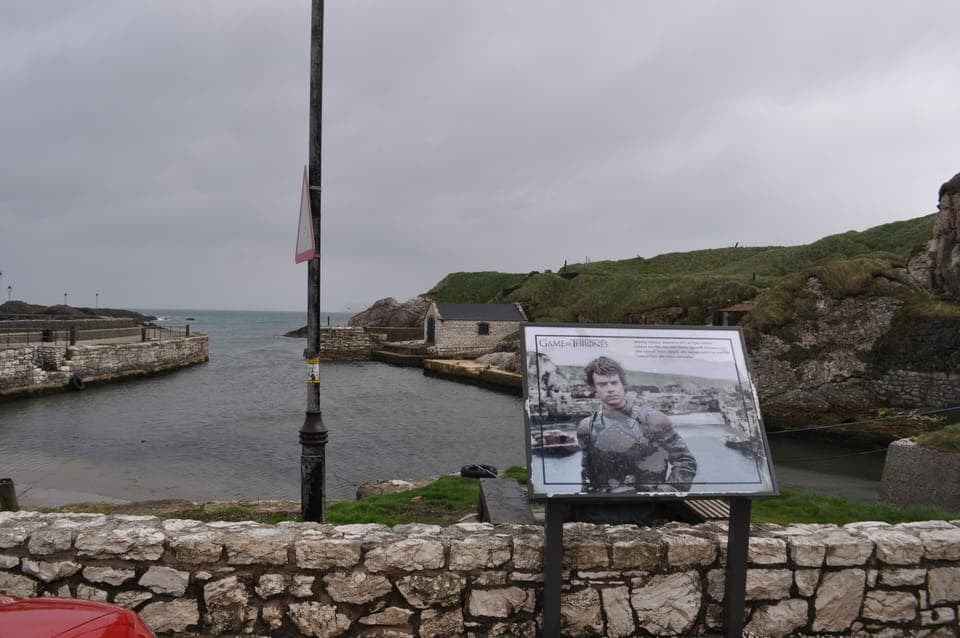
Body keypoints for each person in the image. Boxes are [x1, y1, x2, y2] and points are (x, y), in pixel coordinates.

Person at [577, 356, 697, 493]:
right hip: (603, 508)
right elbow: (587, 475)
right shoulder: (587, 427)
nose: (610, 389)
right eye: (603, 384)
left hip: (650, 508)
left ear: (623, 384)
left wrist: (665, 493)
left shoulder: (653, 420)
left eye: (614, 382)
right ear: (594, 388)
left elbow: (685, 461)